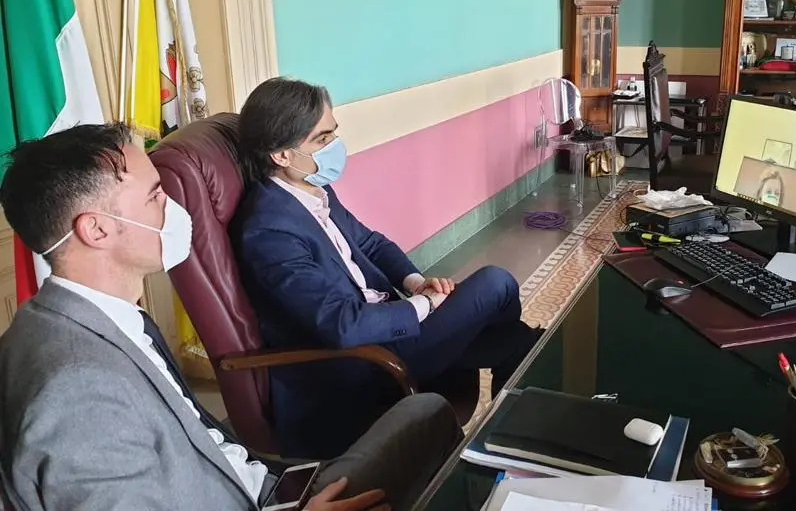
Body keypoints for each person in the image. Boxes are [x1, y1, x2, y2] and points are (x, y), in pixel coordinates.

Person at [0, 124, 462, 511]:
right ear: (96, 229)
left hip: (258, 485)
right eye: (156, 195)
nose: (174, 209)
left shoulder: (94, 316)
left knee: (428, 413)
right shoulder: (78, 390)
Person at [231, 77, 540, 458]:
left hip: (389, 328)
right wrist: (425, 305)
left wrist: (415, 283)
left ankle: (511, 448)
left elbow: (371, 244)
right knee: (497, 283)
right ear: (282, 155)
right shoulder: (269, 230)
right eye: (322, 139)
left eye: (333, 133)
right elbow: (342, 324)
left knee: (520, 341)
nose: (335, 146)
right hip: (364, 360)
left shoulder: (312, 192)